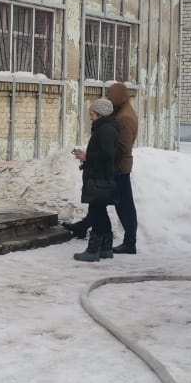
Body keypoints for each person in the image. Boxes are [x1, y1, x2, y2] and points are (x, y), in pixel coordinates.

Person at [63, 83, 139, 253]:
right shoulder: (120, 113)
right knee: (99, 202)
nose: (109, 101)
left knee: (123, 205)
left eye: (111, 97)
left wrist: (95, 158)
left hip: (119, 167)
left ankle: (129, 242)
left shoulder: (124, 118)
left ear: (119, 97)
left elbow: (121, 148)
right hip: (115, 166)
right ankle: (84, 227)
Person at [72, 97, 118, 262]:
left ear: (100, 114)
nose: (90, 117)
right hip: (100, 177)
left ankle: (93, 250)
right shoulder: (104, 128)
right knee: (99, 211)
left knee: (97, 212)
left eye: (92, 114)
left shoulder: (105, 129)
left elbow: (108, 155)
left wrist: (87, 156)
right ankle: (106, 248)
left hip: (100, 178)